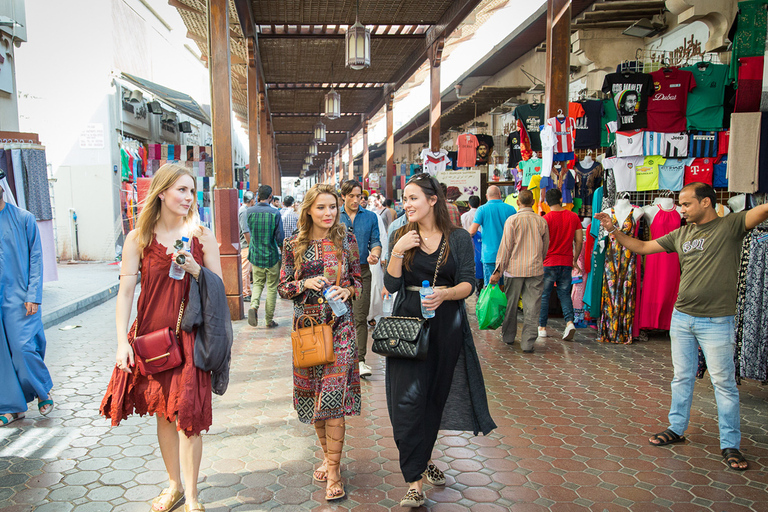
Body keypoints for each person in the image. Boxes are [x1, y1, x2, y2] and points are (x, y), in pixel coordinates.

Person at [594, 182, 768, 471]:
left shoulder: (731, 225)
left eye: (687, 204)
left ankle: (730, 445)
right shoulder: (681, 234)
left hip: (717, 321)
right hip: (683, 318)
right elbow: (642, 247)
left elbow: (762, 210)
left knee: (723, 384)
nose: (682, 209)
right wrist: (613, 230)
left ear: (706, 203)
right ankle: (676, 428)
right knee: (681, 377)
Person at [100, 163, 223, 512]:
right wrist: (121, 343)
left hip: (189, 340)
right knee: (164, 416)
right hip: (152, 339)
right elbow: (125, 292)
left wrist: (195, 269)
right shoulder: (138, 237)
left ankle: (193, 497)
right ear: (162, 192)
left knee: (189, 419)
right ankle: (174, 486)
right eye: (181, 189)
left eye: (191, 190)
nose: (188, 197)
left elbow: (219, 289)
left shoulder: (202, 235)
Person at [384, 173, 496, 507]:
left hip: (445, 327)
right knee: (404, 403)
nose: (407, 205)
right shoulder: (401, 234)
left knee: (432, 399)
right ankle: (414, 480)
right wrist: (398, 252)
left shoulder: (458, 237)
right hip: (406, 325)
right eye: (404, 199)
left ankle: (420, 464)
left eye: (413, 198)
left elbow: (468, 283)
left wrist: (445, 294)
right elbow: (391, 287)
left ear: (433, 200)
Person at [278, 184, 362, 501]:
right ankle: (327, 457)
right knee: (316, 398)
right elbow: (284, 287)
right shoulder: (293, 244)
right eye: (322, 208)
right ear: (309, 210)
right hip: (307, 332)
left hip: (340, 327)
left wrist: (348, 291)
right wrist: (304, 283)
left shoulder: (346, 240)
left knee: (332, 398)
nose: (329, 214)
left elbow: (357, 279)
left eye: (333, 208)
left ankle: (335, 471)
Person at [0, 175, 54, 426]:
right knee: (2, 355)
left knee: (23, 349)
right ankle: (13, 407)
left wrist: (34, 294)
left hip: (21, 298)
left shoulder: (23, 219)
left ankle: (42, 390)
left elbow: (36, 258)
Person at [490, 189, 549, 353]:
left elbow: (505, 248)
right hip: (535, 270)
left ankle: (508, 337)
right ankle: (527, 343)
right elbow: (545, 247)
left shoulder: (512, 220)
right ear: (533, 202)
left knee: (511, 305)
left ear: (518, 202)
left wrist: (498, 271)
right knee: (532, 307)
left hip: (513, 270)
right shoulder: (541, 221)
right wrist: (538, 260)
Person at [339, 180, 382, 378]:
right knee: (337, 316)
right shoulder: (334, 216)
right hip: (337, 274)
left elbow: (375, 241)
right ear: (343, 196)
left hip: (362, 271)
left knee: (360, 317)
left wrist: (375, 253)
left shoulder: (371, 217)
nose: (356, 200)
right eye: (352, 196)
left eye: (359, 196)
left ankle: (361, 361)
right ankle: (339, 360)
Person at [539, 188, 583, 341]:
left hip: (549, 262)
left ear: (546, 202)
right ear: (560, 199)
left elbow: (541, 242)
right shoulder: (573, 217)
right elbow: (579, 241)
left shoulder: (546, 219)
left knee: (544, 295)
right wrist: (574, 258)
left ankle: (542, 328)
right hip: (566, 261)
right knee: (564, 294)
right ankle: (569, 322)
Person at [244, 185, 284, 328]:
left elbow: (247, 231)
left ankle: (254, 306)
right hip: (272, 256)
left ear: (258, 196)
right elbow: (280, 238)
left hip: (256, 256)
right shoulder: (275, 213)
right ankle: (269, 320)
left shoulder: (249, 212)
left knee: (258, 284)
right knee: (272, 288)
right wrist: (284, 255)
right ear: (270, 197)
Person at [469, 185, 517, 286]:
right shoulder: (511, 209)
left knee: (491, 288)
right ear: (500, 195)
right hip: (508, 255)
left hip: (489, 255)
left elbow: (472, 231)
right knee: (507, 288)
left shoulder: (482, 210)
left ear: (486, 196)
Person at [238, 191, 256, 301]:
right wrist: (250, 245)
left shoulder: (244, 210)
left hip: (246, 245)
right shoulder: (244, 211)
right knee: (245, 270)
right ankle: (245, 293)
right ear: (251, 200)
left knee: (247, 270)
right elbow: (245, 231)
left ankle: (247, 291)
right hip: (245, 245)